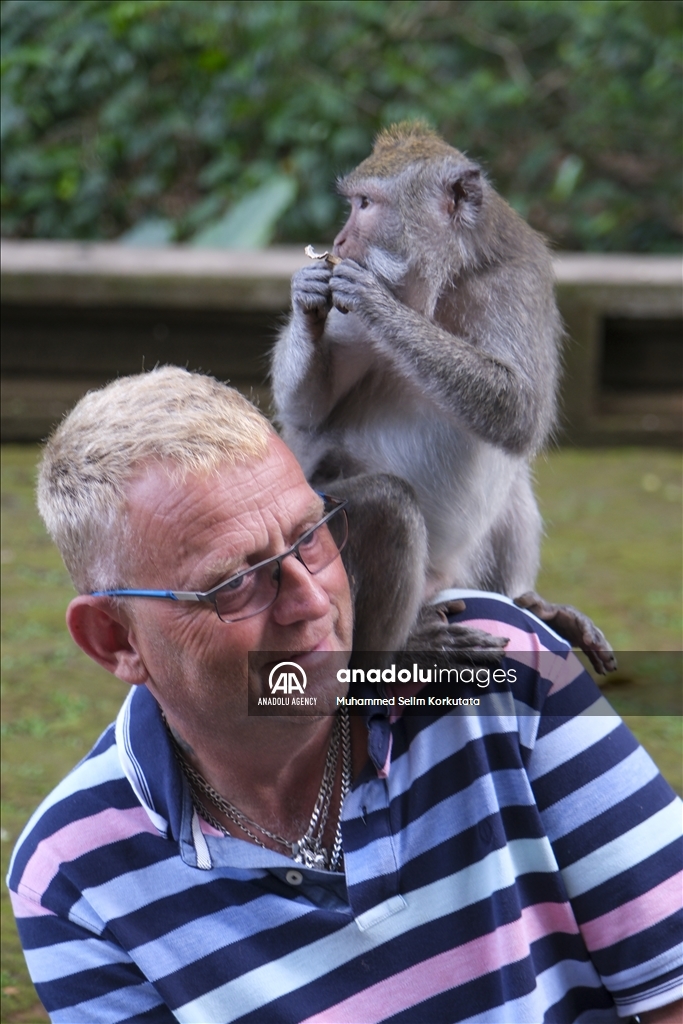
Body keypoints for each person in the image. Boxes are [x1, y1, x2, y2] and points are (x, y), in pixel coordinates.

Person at [7, 366, 682, 1024]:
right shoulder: (74, 873)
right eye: (235, 583)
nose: (312, 601)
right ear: (113, 638)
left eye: (311, 535)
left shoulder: (500, 671)